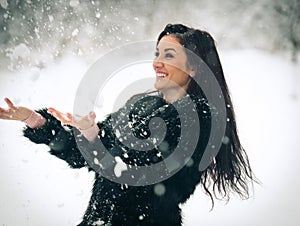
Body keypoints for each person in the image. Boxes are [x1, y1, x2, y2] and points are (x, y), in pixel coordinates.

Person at [0, 24, 256, 226]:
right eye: (157, 53)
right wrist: (36, 121)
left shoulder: (201, 118)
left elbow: (147, 177)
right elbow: (87, 156)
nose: (157, 62)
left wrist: (93, 138)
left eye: (168, 55)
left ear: (194, 67)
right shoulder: (141, 104)